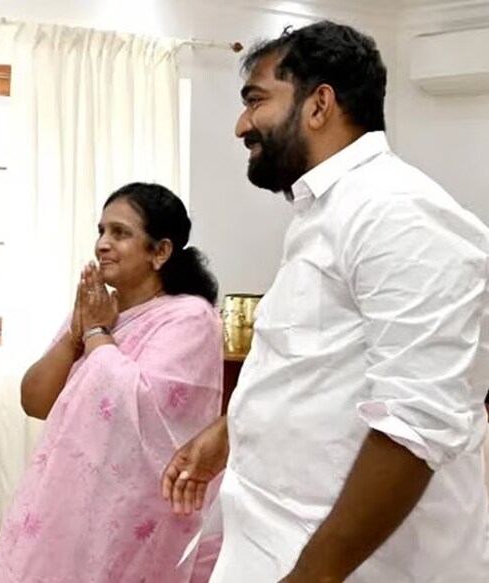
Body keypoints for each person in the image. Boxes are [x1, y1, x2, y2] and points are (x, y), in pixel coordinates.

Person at [162, 21, 489, 582]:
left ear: (319, 104)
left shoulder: (398, 213)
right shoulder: (325, 212)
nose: (243, 125)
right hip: (274, 539)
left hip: (350, 565)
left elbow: (416, 426)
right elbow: (312, 367)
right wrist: (230, 432)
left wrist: (313, 575)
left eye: (256, 100)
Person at [0, 182, 224, 582]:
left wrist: (95, 333)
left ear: (160, 251)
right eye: (101, 230)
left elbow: (142, 411)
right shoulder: (98, 311)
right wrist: (80, 331)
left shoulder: (189, 318)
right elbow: (36, 401)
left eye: (120, 233)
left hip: (134, 509)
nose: (102, 244)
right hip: (72, 496)